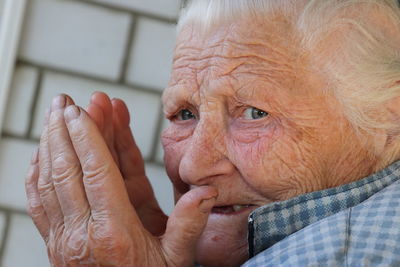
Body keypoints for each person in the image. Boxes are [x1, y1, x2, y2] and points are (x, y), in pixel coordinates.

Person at [25, 0, 400, 266]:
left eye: (254, 113)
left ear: (389, 119)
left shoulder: (343, 254)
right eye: (184, 113)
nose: (191, 167)